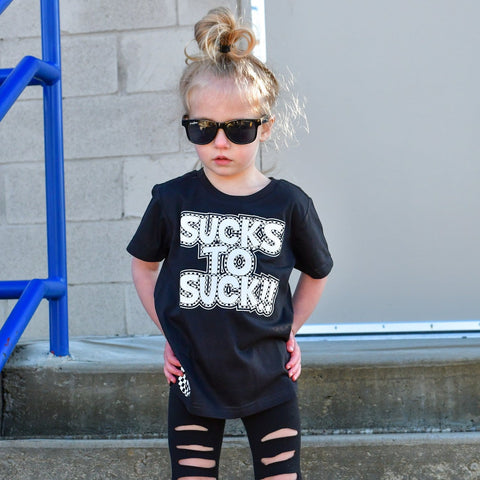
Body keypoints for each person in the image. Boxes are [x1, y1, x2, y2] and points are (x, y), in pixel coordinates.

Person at [127, 7, 333, 480]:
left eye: (238, 128)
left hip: (270, 377)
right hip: (193, 377)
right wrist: (170, 334)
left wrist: (290, 330)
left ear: (265, 126)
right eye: (203, 128)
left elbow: (317, 272)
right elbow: (143, 266)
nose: (220, 143)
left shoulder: (289, 204)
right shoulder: (172, 199)